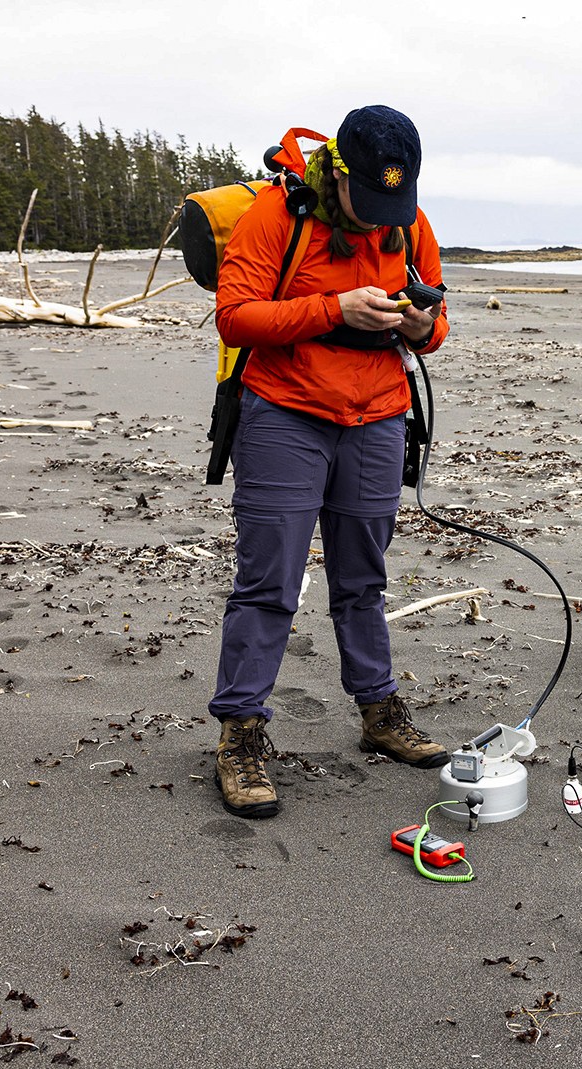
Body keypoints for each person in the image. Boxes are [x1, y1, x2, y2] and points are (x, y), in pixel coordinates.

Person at [209, 105, 451, 818]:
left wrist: (417, 322)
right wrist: (333, 308)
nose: (382, 220)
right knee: (268, 581)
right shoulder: (277, 218)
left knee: (362, 578)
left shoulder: (409, 222)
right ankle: (241, 734)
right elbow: (236, 315)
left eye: (393, 206)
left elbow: (436, 327)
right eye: (368, 204)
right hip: (283, 412)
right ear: (337, 172)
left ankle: (379, 713)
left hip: (378, 416)